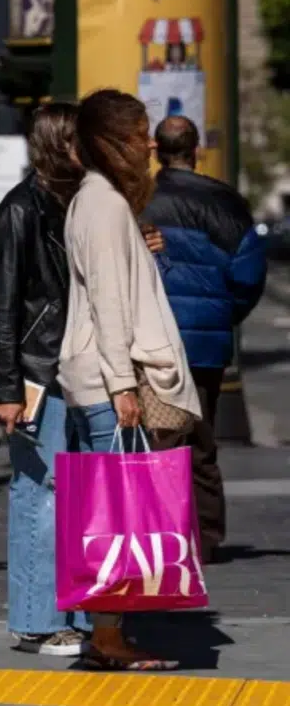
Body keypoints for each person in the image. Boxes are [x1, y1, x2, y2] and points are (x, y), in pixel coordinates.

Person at [61, 89, 201, 670]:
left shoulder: (99, 202)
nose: (149, 142)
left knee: (113, 511)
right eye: (140, 131)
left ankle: (108, 632)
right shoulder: (104, 206)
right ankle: (108, 637)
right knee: (116, 515)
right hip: (106, 377)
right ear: (115, 139)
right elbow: (110, 304)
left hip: (98, 374)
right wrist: (122, 384)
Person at [0, 103, 92, 654]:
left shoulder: (81, 203)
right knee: (40, 492)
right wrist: (7, 390)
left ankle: (75, 611)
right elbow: (0, 307)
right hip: (40, 372)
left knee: (74, 494)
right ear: (61, 144)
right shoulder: (21, 209)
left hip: (78, 367)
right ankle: (39, 618)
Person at [141, 115, 267, 563]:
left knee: (161, 437)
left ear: (156, 148)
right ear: (196, 150)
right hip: (207, 344)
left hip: (154, 339)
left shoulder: (139, 197)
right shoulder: (226, 202)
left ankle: (163, 532)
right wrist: (223, 315)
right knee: (202, 438)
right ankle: (206, 536)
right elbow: (249, 274)